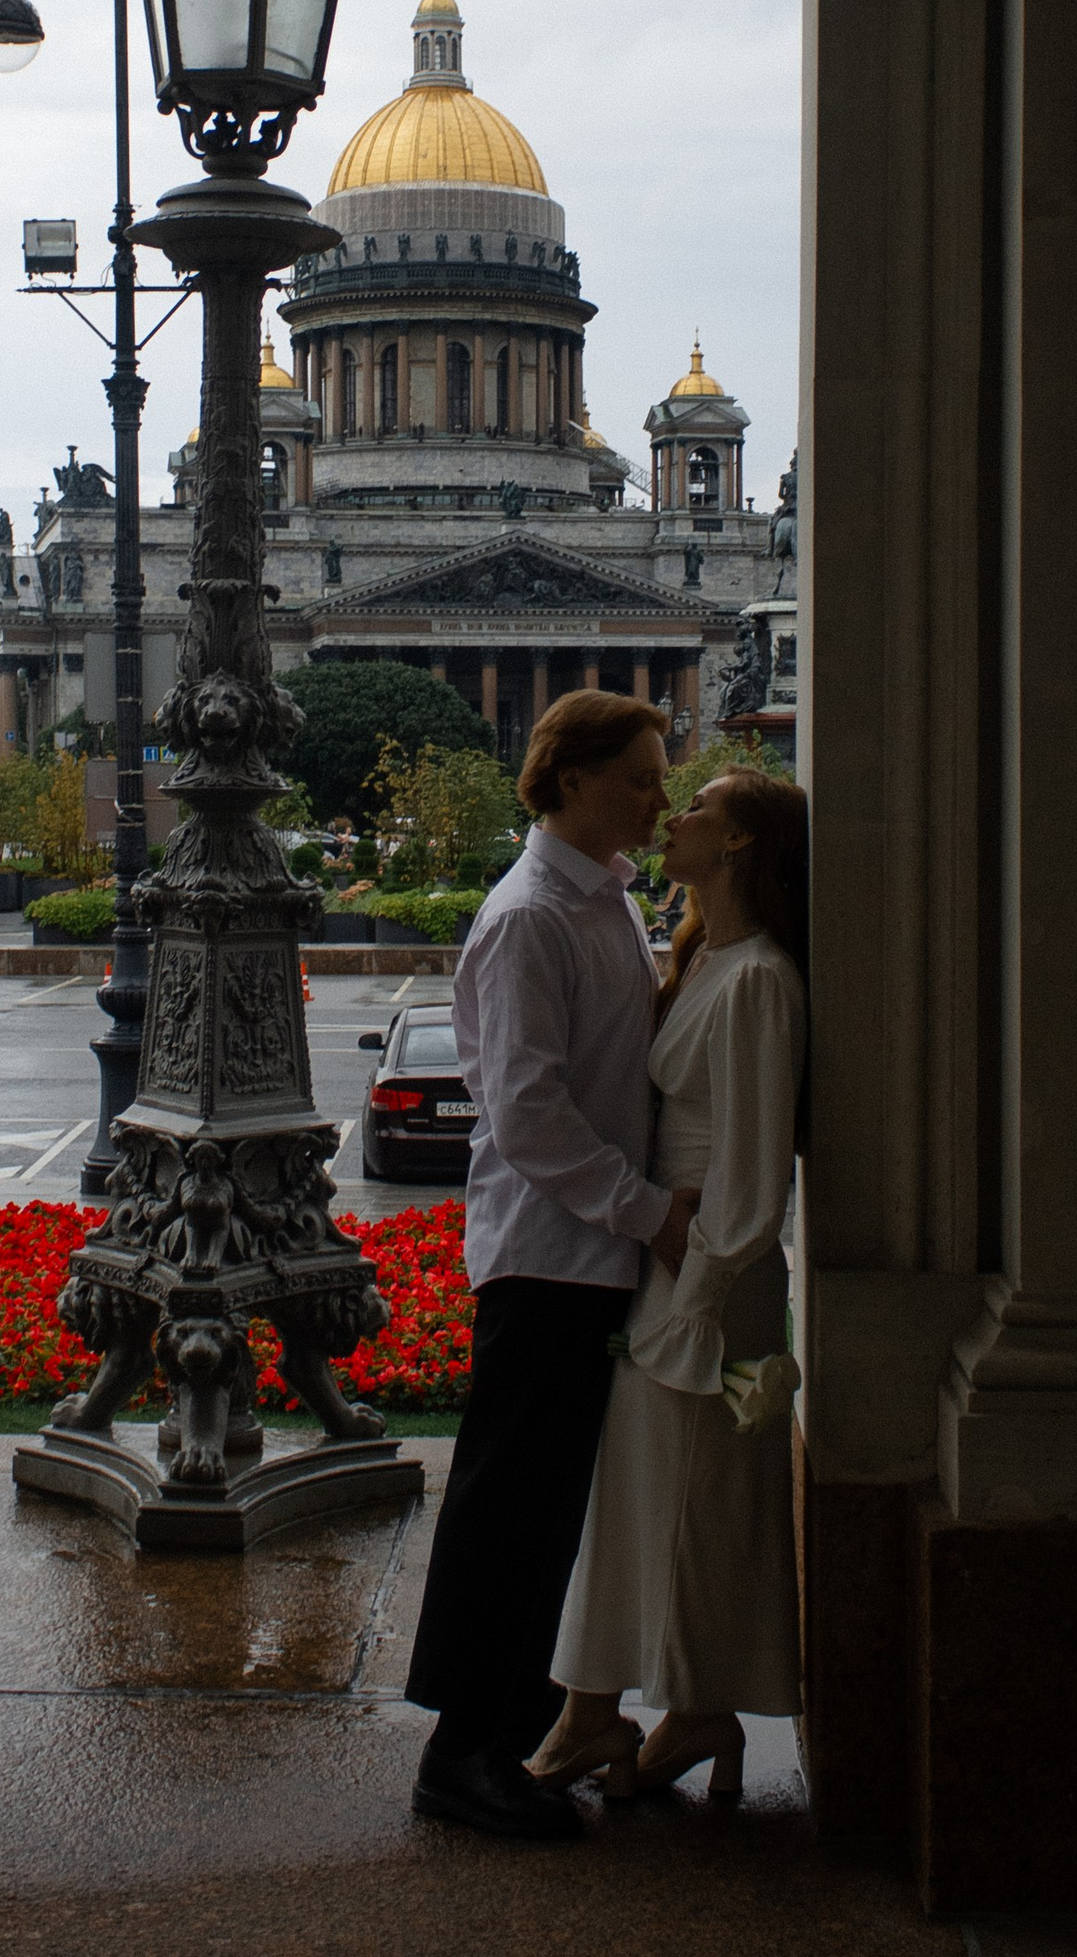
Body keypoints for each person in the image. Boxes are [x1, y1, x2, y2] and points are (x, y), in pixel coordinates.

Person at [404, 690, 697, 1844]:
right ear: (573, 780)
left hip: (585, 1252)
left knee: (543, 1512)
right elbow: (525, 1109)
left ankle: (504, 1732)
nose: (658, 796)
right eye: (639, 777)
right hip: (548, 1253)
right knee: (508, 1511)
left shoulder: (599, 896)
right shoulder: (531, 915)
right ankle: (460, 1750)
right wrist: (647, 1212)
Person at [531, 763, 811, 1801]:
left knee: (693, 1505)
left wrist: (697, 1304)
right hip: (677, 1267)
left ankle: (662, 1712)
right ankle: (644, 1712)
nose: (672, 815)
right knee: (645, 1503)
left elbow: (753, 1172)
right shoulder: (705, 959)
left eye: (698, 806)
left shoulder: (759, 979)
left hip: (708, 1280)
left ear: (738, 843)